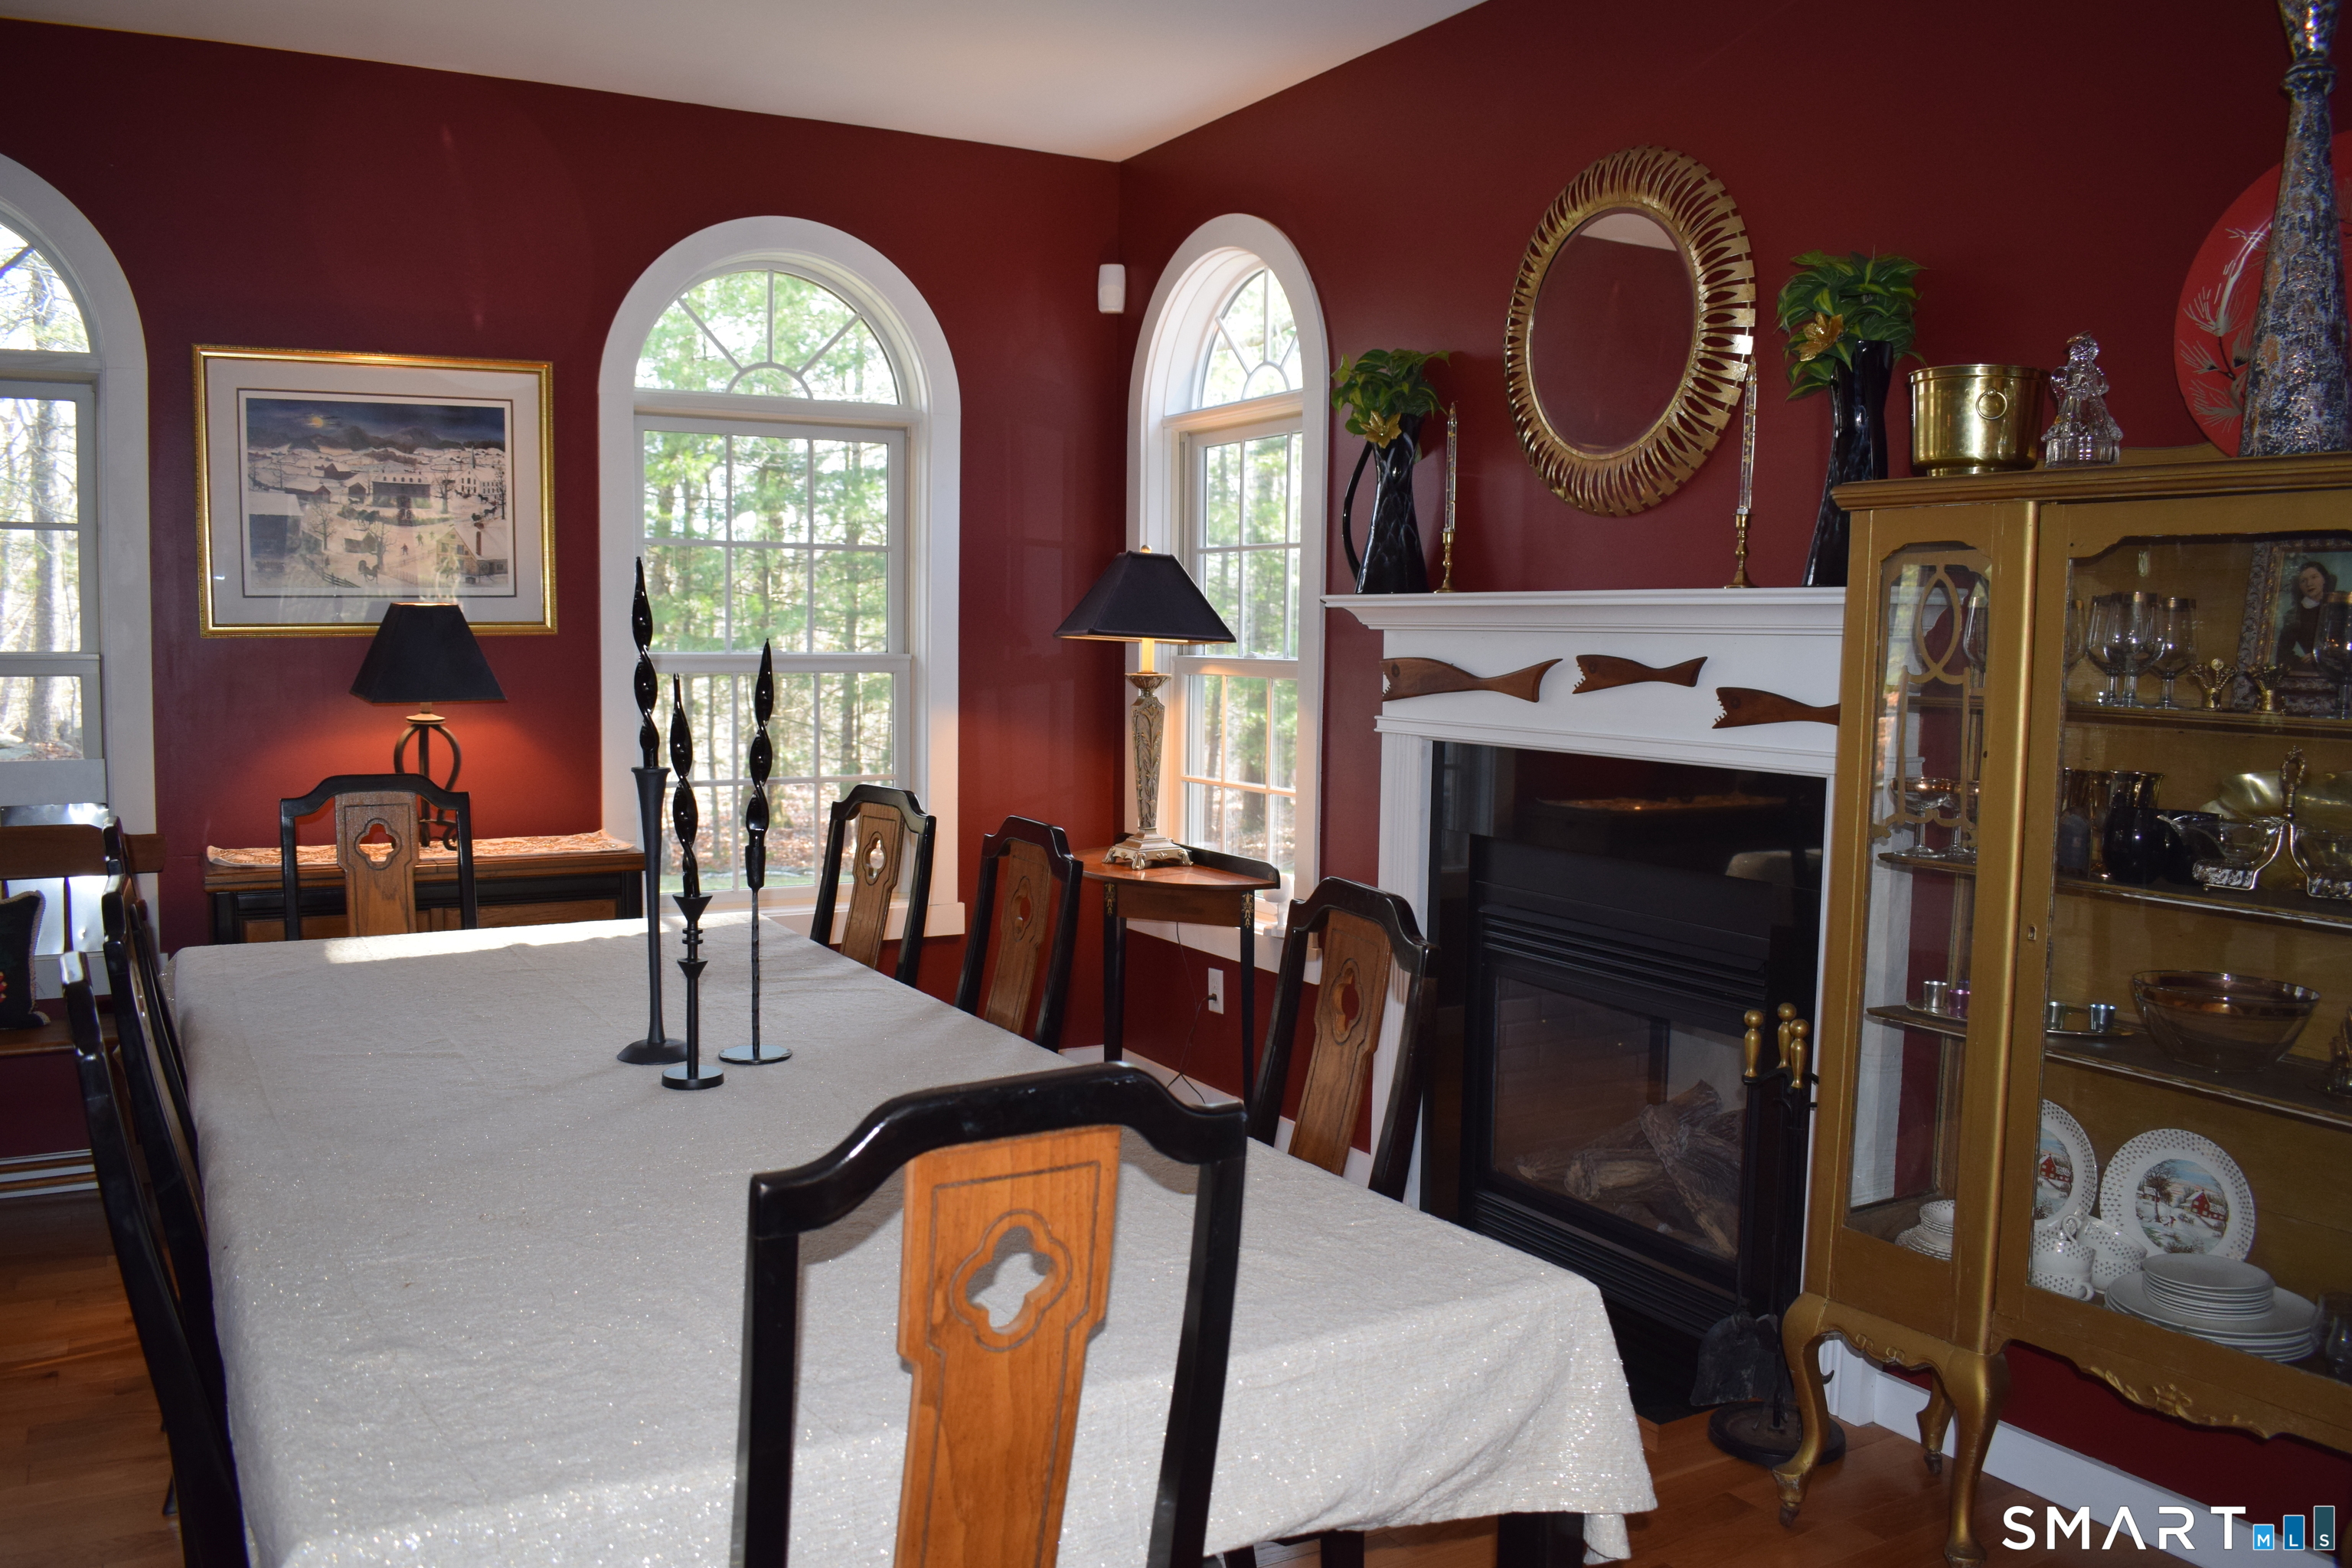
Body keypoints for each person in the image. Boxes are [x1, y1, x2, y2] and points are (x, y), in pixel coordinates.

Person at [2275, 558, 2339, 668]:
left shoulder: (2340, 605)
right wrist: (2306, 664)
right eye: (2303, 581)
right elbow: (2283, 655)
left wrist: (2322, 655)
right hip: (2314, 671)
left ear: (2324, 579)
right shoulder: (2295, 615)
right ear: (2299, 586)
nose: (2309, 584)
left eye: (2314, 577)